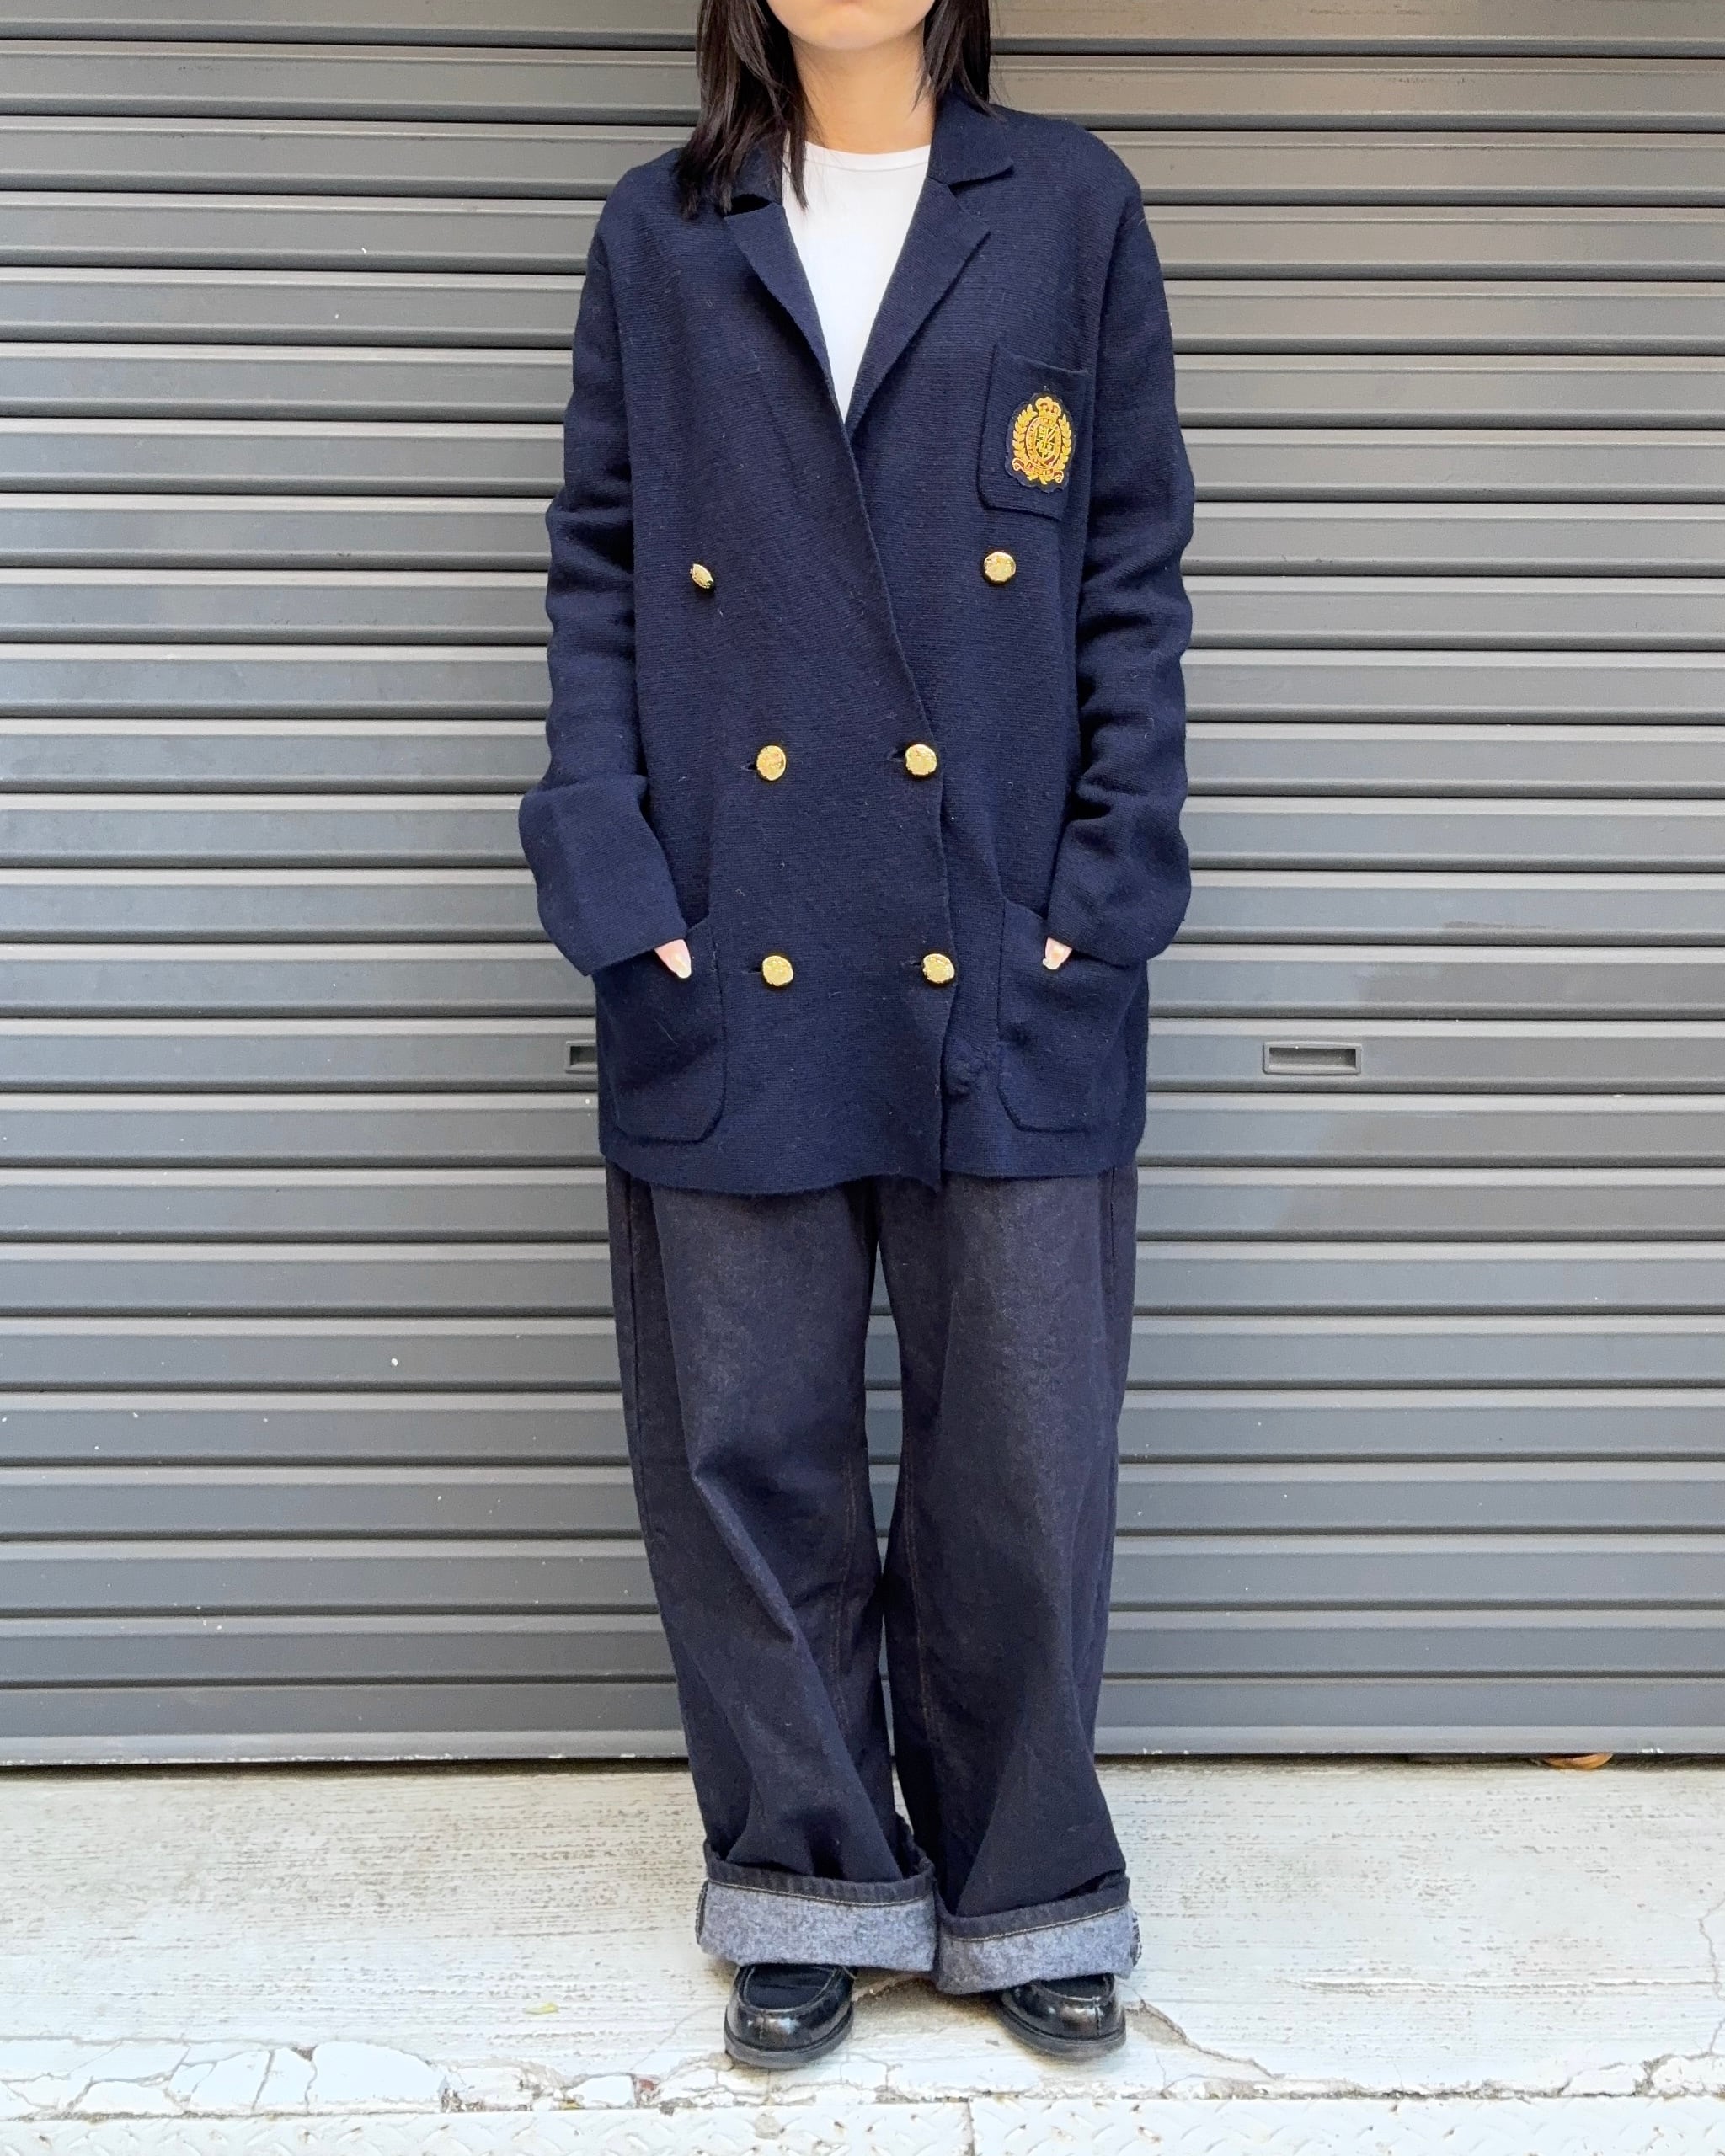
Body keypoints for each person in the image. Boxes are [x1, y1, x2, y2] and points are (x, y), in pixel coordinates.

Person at [519, 0, 1194, 2072]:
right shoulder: (660, 232)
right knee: (746, 1447)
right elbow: (599, 571)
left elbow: (1133, 569)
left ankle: (1026, 1881)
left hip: (1006, 935)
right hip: (734, 936)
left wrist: (1104, 882)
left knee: (1022, 1455)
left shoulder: (1067, 208)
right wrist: (616, 874)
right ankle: (806, 1874)